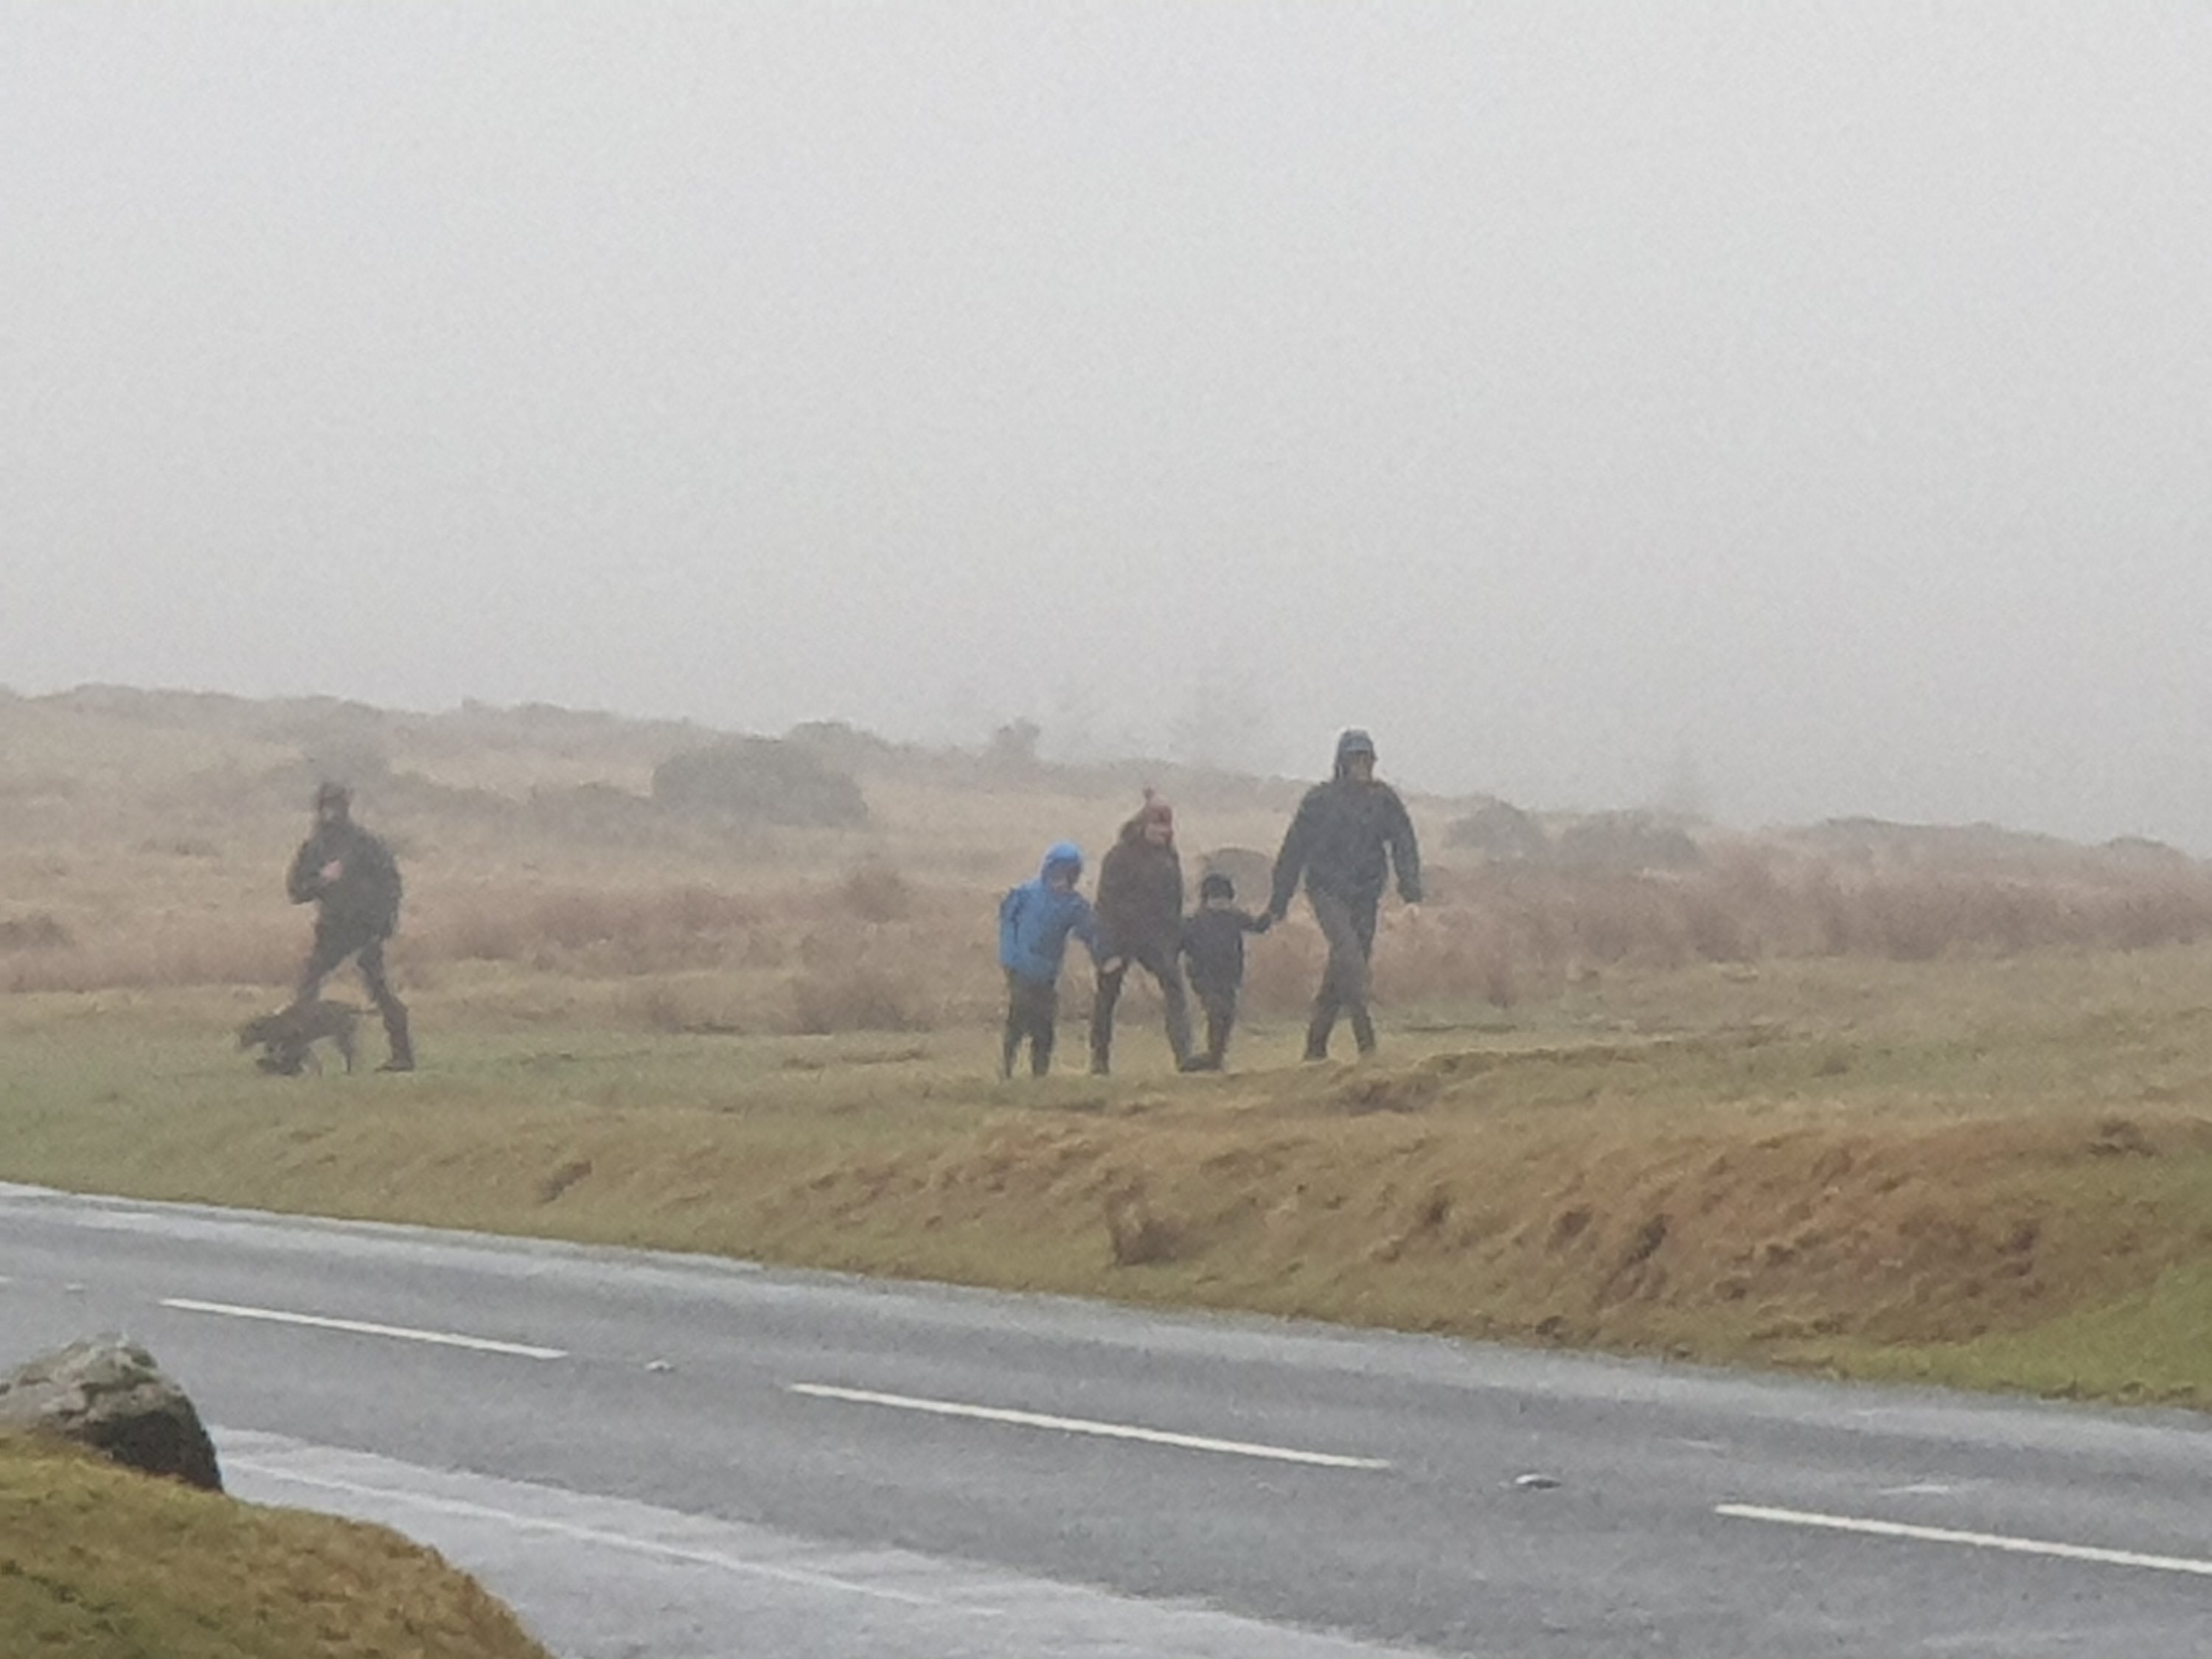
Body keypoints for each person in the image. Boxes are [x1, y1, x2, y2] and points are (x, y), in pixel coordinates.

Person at [1266, 729, 1422, 1060]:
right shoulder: (1319, 800)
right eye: (1354, 759)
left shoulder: (1384, 799)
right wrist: (1279, 902)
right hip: (1327, 891)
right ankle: (1367, 1044)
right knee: (1350, 957)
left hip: (1366, 894)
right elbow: (1293, 850)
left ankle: (1315, 1047)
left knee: (1344, 967)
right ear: (1342, 762)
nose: (1361, 766)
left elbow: (1404, 844)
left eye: (1366, 759)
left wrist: (1411, 893)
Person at [285, 782, 414, 1071]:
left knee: (378, 988)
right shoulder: (315, 848)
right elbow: (296, 890)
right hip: (332, 929)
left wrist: (384, 924)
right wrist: (323, 881)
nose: (329, 813)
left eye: (335, 806)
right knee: (308, 988)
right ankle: (292, 1054)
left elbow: (391, 885)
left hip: (365, 928)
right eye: (325, 806)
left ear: (345, 807)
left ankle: (403, 1055)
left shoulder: (365, 844)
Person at [1089, 790, 1194, 1074]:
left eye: (1167, 826)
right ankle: (1099, 1060)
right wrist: (1108, 949)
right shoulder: (1119, 856)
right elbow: (1106, 903)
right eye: (1157, 826)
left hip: (1157, 938)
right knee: (1107, 996)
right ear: (1143, 826)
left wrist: (1175, 937)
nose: (1163, 832)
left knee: (1175, 990)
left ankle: (1185, 1056)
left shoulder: (1169, 857)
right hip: (1121, 935)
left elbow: (1174, 900)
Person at [997, 841, 1099, 1078]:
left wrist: (1103, 954)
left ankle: (1039, 1073)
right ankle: (1006, 1067)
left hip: (1047, 973)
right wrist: (1009, 959)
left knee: (1044, 1025)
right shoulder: (1025, 893)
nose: (1062, 881)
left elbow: (1089, 932)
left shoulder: (1073, 905)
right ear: (1048, 870)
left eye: (1069, 876)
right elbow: (1007, 922)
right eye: (1058, 874)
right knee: (1019, 1017)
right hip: (1019, 967)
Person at [1178, 872, 1270, 1071]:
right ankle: (1211, 1059)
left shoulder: (1197, 920)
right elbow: (1259, 926)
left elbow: (1258, 926)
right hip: (1211, 977)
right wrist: (1271, 914)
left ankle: (1213, 1059)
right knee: (1220, 1013)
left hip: (1218, 976)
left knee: (1224, 1016)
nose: (1220, 904)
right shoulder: (1229, 917)